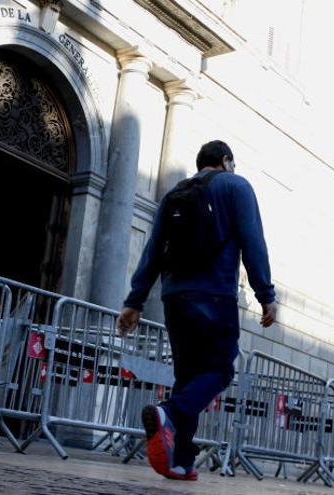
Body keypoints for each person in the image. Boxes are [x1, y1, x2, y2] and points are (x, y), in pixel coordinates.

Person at [116, 140, 277, 481]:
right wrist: (266, 294)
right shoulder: (236, 186)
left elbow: (154, 248)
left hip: (174, 296)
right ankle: (167, 413)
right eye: (231, 163)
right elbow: (252, 240)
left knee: (188, 378)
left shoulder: (176, 193)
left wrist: (134, 301)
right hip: (214, 296)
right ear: (225, 161)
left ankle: (181, 460)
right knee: (219, 372)